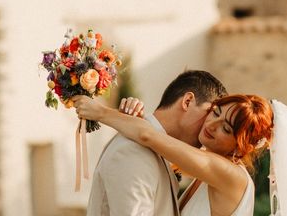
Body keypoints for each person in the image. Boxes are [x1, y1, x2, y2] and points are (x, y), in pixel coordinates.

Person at [74, 93, 287, 216]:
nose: (212, 125)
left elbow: (150, 136)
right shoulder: (206, 173)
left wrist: (100, 112)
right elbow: (158, 146)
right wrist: (135, 112)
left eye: (226, 128)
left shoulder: (230, 175)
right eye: (216, 112)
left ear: (240, 146)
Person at [84, 69, 227, 216]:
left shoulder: (155, 151)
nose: (209, 126)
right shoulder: (133, 150)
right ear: (187, 101)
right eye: (210, 113)